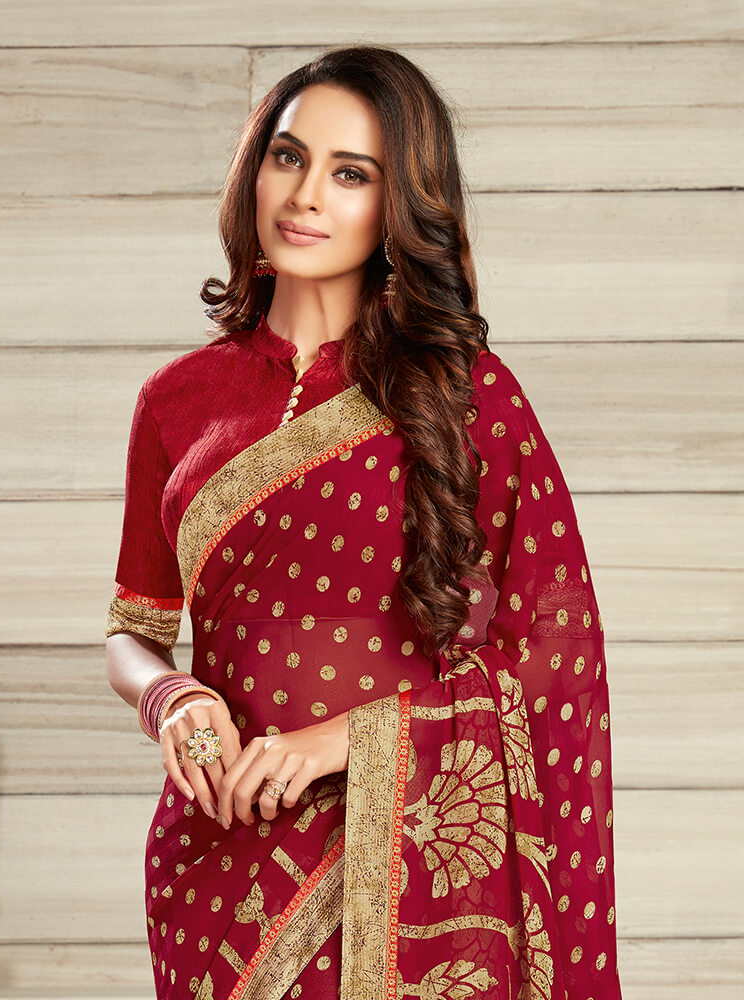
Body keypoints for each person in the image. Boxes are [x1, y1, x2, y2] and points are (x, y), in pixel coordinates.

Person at [105, 44, 623, 1000]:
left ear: (398, 205)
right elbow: (133, 630)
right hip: (217, 859)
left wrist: (343, 740)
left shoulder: (466, 398)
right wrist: (171, 699)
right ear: (254, 168)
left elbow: (555, 651)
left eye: (352, 174)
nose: (305, 196)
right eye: (288, 157)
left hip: (406, 846)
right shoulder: (175, 400)